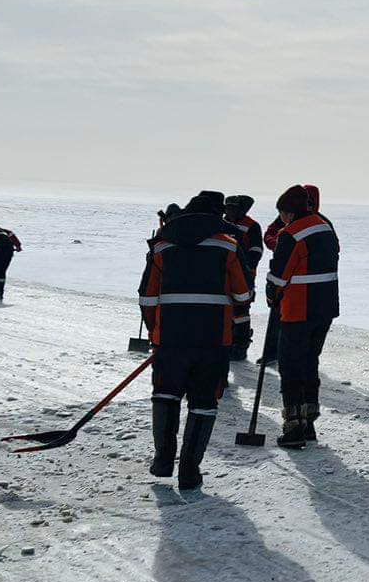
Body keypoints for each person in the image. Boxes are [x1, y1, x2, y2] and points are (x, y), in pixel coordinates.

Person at [137, 193, 252, 490]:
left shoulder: (162, 247)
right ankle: (190, 470)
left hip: (170, 340)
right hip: (213, 341)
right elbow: (242, 295)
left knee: (165, 395)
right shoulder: (228, 245)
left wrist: (156, 331)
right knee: (203, 403)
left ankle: (163, 460)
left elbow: (147, 297)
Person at [264, 186, 340, 448]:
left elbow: (279, 275)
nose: (282, 219)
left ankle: (293, 424)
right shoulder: (325, 227)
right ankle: (309, 421)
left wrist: (271, 292)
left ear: (288, 212)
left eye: (282, 213)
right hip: (326, 306)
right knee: (310, 361)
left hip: (299, 307)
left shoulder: (291, 234)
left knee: (290, 364)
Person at [223, 195, 265, 361]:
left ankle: (240, 344)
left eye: (234, 208)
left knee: (241, 310)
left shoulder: (251, 226)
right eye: (228, 208)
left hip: (244, 275)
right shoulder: (220, 223)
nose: (230, 211)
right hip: (222, 274)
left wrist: (246, 266)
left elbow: (256, 250)